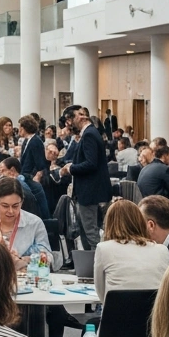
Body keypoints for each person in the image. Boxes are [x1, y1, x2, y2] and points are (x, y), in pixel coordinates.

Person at [93, 199, 169, 302]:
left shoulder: (103, 248)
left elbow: (101, 295)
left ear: (109, 223)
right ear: (140, 220)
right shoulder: (162, 250)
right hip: (154, 316)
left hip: (117, 315)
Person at [62, 105, 111, 248]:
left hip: (90, 192)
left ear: (79, 117)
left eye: (70, 120)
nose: (69, 124)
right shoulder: (90, 133)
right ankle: (90, 265)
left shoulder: (89, 134)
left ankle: (97, 265)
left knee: (91, 233)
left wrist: (71, 168)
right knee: (87, 231)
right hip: (89, 191)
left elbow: (91, 163)